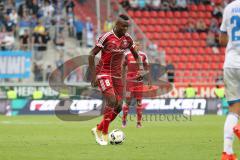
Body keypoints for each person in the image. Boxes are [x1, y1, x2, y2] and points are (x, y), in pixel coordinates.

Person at [89, 14, 142, 146]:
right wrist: (93, 75)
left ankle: (98, 128)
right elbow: (91, 54)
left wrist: (141, 69)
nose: (125, 29)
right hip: (103, 72)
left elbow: (137, 56)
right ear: (116, 25)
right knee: (112, 101)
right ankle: (104, 134)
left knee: (118, 106)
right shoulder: (106, 37)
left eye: (127, 27)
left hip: (117, 75)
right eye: (123, 26)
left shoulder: (127, 39)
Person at [219, 1, 240, 159]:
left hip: (231, 64)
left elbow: (222, 40)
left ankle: (227, 152)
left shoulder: (229, 8)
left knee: (234, 110)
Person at [121, 42, 151, 128]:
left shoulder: (143, 55)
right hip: (129, 82)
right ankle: (124, 121)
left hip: (139, 83)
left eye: (139, 45)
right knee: (127, 102)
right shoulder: (127, 54)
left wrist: (149, 80)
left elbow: (147, 68)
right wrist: (123, 78)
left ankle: (138, 123)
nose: (137, 46)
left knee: (139, 102)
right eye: (136, 45)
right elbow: (123, 65)